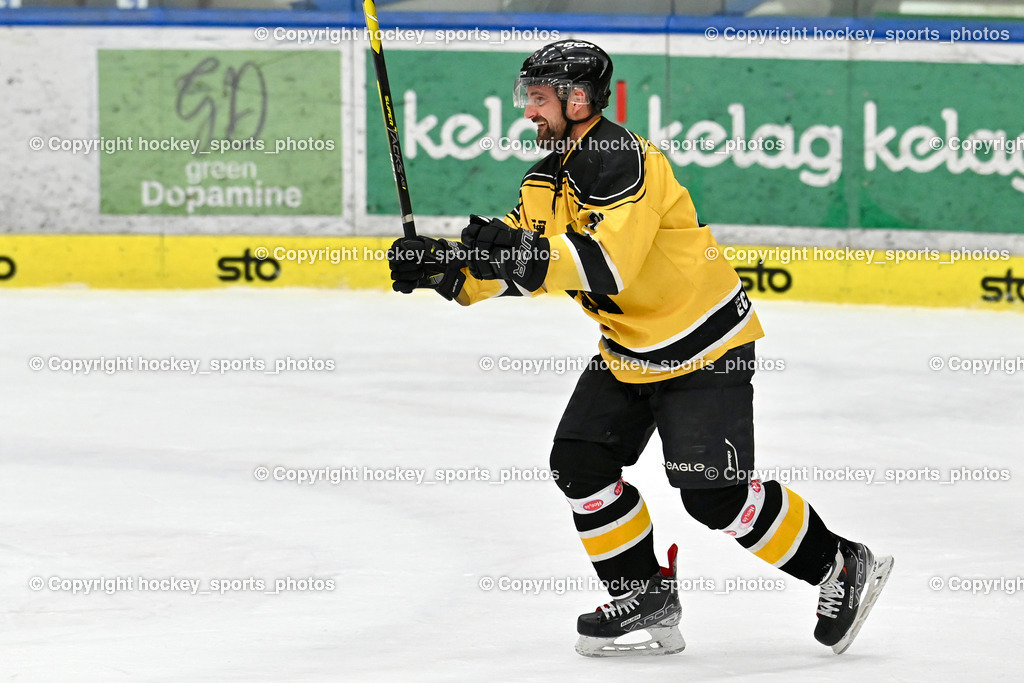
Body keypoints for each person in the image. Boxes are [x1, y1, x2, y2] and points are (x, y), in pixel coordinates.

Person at [386, 40, 893, 658]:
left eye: (538, 99)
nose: (528, 112)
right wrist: (445, 268)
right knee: (579, 463)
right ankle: (643, 592)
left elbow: (607, 265)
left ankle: (840, 564)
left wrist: (515, 251)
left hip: (704, 343)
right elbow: (521, 267)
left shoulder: (622, 160)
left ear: (578, 99)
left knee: (714, 495)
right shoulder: (545, 179)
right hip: (631, 350)